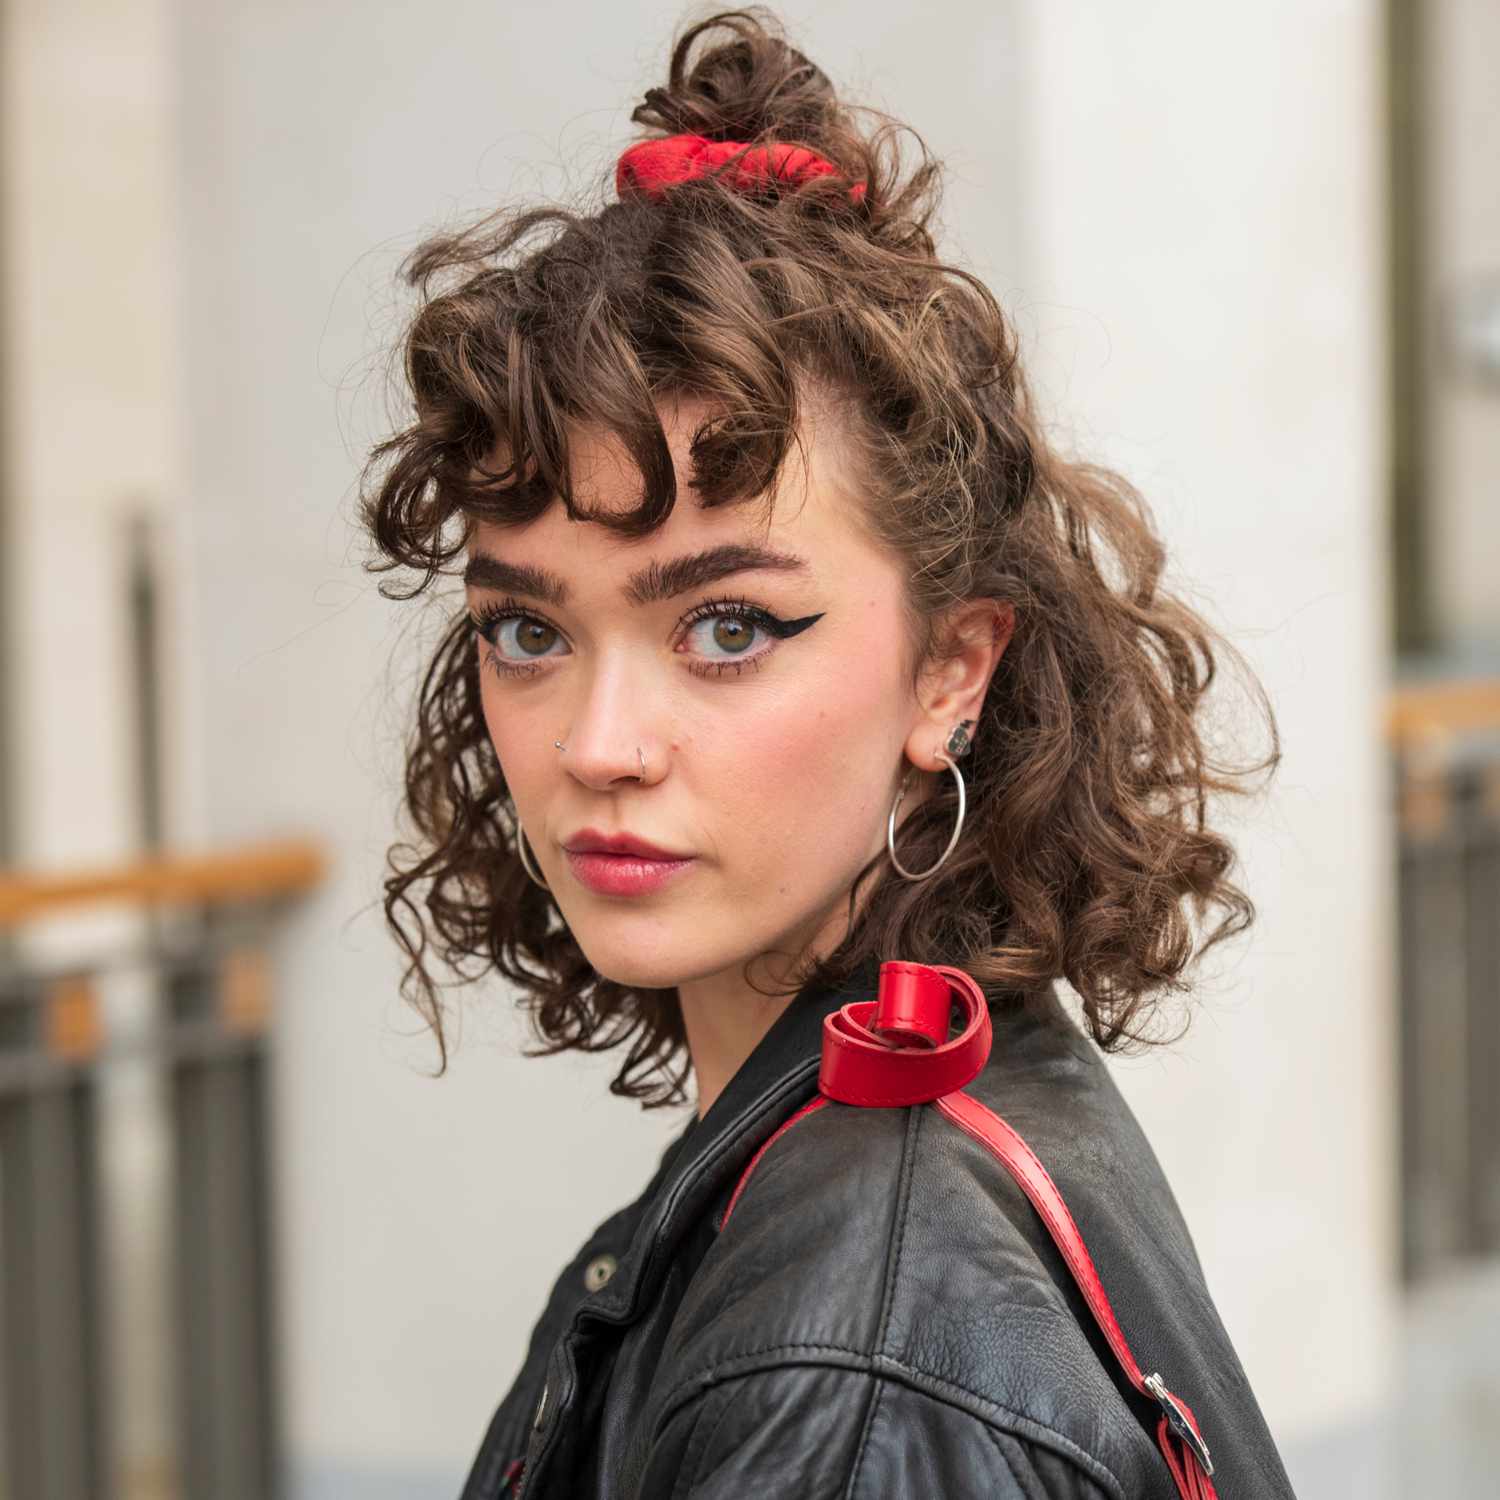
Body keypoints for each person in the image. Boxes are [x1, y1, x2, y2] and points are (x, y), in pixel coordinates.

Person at [358, 7, 1297, 1496]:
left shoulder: (851, 1370)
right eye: (529, 633)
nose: (598, 746)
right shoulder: (917, 1125)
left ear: (951, 672)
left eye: (727, 627)